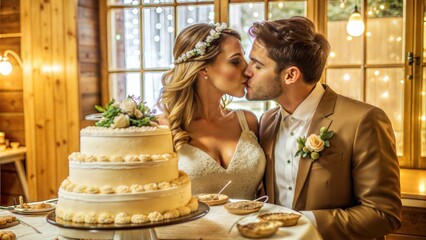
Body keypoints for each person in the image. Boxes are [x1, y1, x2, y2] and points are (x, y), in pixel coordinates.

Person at [244, 16, 401, 239]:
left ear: (290, 75)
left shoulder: (364, 120)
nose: (247, 71)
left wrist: (302, 223)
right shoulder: (266, 122)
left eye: (257, 65)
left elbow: (384, 213)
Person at [157, 23, 266, 200]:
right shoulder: (165, 128)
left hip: (251, 226)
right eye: (235, 61)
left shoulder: (248, 122)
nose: (247, 70)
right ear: (203, 69)